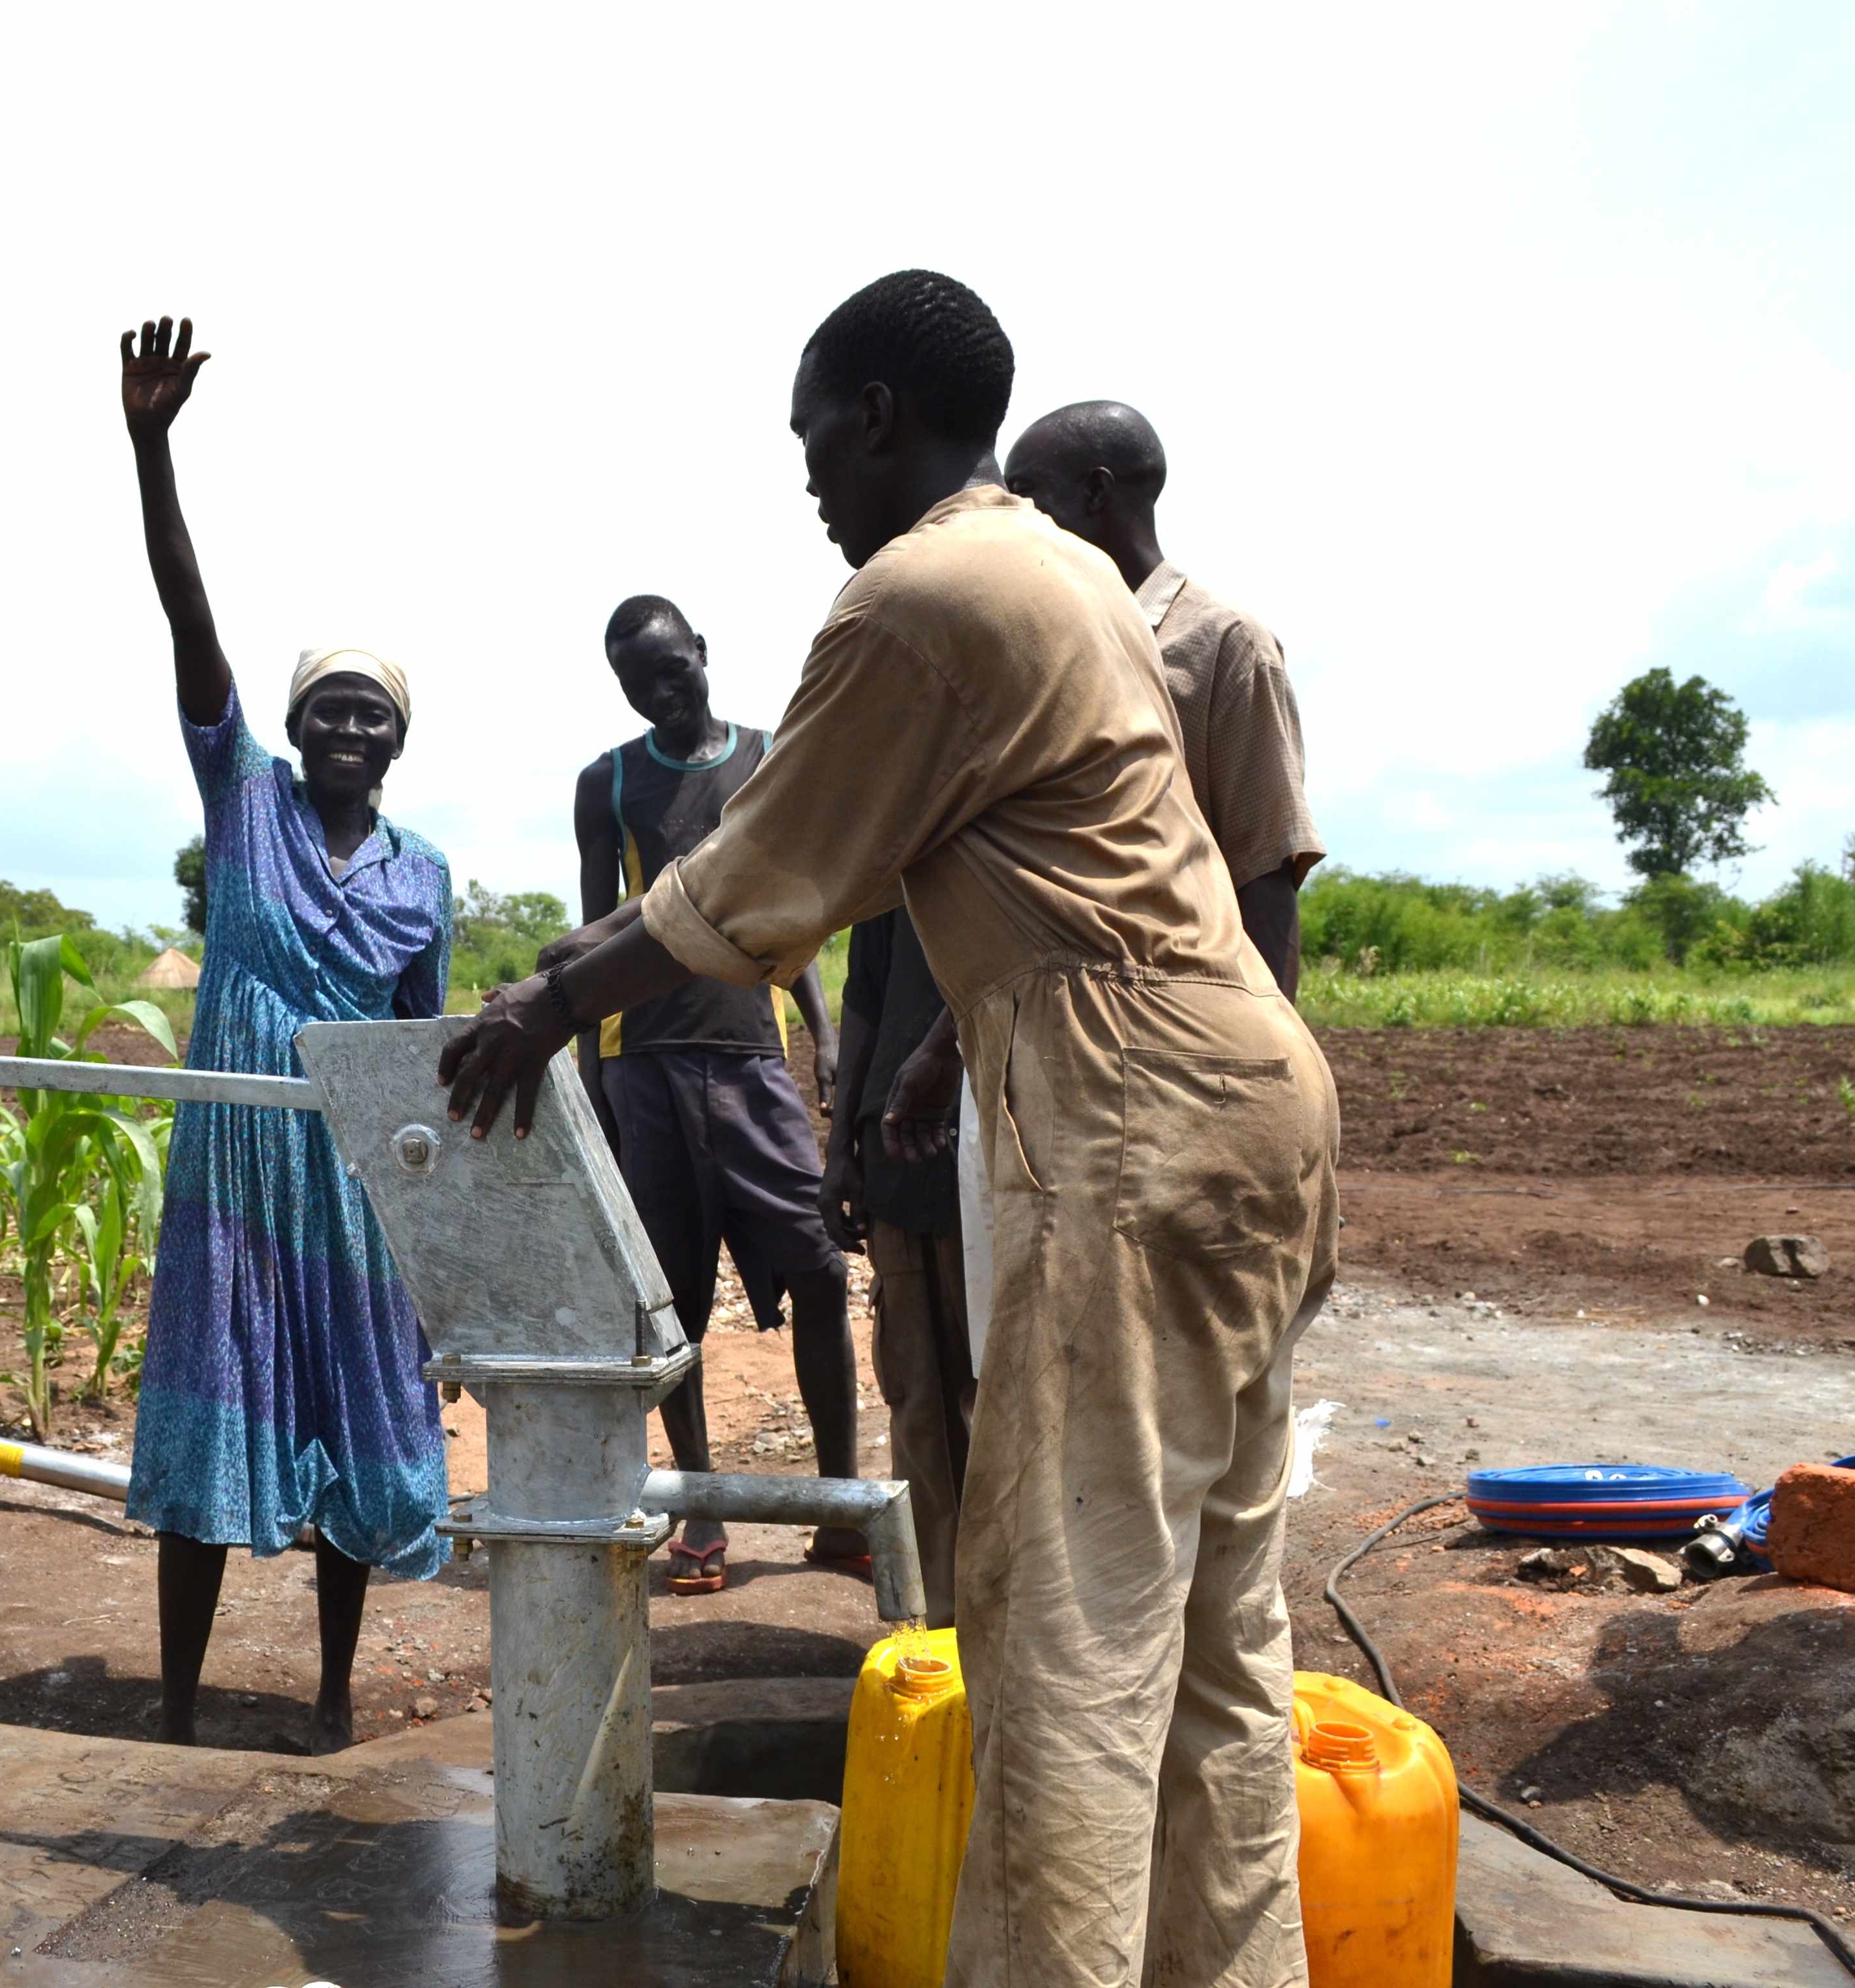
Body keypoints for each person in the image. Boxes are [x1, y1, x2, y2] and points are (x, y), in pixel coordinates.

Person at [438, 269, 1339, 1987]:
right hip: (1251, 1087)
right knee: (1223, 1643)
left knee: (1062, 1634)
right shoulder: (1073, 575)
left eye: (807, 438)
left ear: (872, 414)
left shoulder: (914, 596)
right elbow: (1081, 865)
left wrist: (547, 1002)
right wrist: (930, 1073)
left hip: (1131, 1114)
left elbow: (760, 874)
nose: (803, 482)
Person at [115, 315, 453, 1757]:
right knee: (210, 1428)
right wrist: (152, 445)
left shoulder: (423, 873)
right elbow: (188, 617)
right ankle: (182, 1705)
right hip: (239, 1160)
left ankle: (329, 1695)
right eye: (326, 709)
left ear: (398, 738)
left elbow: (424, 1046)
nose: (346, 732)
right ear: (294, 722)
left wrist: (433, 1226)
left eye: (370, 716)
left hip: (355, 1175)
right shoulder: (242, 798)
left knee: (352, 1419)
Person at [570, 595, 856, 1592]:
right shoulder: (606, 784)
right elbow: (597, 929)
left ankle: (840, 1507)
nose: (659, 690)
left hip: (749, 1057)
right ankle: (697, 1513)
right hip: (645, 1064)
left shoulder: (771, 757)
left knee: (818, 1270)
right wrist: (595, 1082)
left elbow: (794, 907)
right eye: (635, 681)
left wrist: (823, 1038)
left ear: (701, 654)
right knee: (671, 1305)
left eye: (670, 668)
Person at [1001, 401, 1324, 993]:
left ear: (1097, 494)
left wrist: (1268, 1066)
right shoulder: (1045, 647)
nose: (1013, 518)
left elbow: (1266, 876)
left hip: (1171, 1026)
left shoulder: (1223, 645)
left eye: (1027, 494)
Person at [820, 906, 969, 1626]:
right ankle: (945, 1624)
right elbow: (865, 993)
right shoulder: (892, 839)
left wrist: (947, 1048)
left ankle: (1015, 1628)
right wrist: (841, 1143)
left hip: (1008, 1146)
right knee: (919, 1399)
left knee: (1007, 1397)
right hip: (898, 1147)